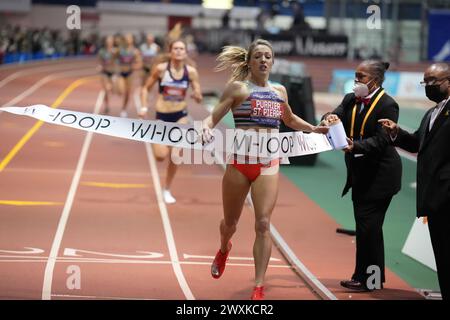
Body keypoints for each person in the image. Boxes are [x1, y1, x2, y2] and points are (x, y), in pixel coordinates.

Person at [201, 39, 329, 300]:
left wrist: (314, 129)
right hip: (239, 164)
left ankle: (258, 286)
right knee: (230, 223)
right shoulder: (238, 88)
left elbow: (290, 119)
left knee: (263, 224)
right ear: (249, 62)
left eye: (267, 56)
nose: (263, 60)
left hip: (268, 165)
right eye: (258, 56)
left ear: (273, 61)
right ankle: (224, 247)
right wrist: (205, 127)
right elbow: (212, 117)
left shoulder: (280, 91)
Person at [322, 60, 402, 292]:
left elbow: (381, 140)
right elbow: (333, 115)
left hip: (381, 176)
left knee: (369, 228)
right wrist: (329, 118)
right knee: (366, 227)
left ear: (375, 80)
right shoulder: (350, 99)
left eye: (361, 76)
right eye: (355, 76)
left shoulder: (388, 105)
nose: (356, 80)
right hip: (360, 175)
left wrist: (354, 146)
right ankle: (365, 277)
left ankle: (369, 279)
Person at [379, 63, 450, 300]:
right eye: (425, 82)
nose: (428, 87)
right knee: (442, 255)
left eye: (432, 81)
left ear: (448, 82)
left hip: (447, 197)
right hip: (434, 199)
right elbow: (418, 143)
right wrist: (396, 133)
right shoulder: (431, 113)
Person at [140, 39, 202, 204]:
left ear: (186, 52)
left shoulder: (191, 72)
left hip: (180, 115)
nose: (179, 51)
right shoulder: (161, 69)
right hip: (162, 115)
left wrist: (197, 95)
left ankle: (166, 189)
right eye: (176, 48)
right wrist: (144, 107)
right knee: (161, 156)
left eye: (182, 48)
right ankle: (160, 144)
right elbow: (145, 88)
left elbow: (198, 94)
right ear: (170, 52)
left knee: (175, 156)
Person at [117, 33, 141, 118]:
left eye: (129, 38)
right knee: (121, 90)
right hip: (121, 73)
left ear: (132, 40)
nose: (128, 40)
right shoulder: (120, 50)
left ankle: (123, 109)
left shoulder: (135, 51)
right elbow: (113, 58)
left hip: (130, 74)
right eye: (126, 38)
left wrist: (134, 66)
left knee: (127, 93)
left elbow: (139, 63)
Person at [98, 35, 118, 114]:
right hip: (105, 72)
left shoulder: (115, 51)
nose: (109, 43)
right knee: (106, 90)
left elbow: (119, 60)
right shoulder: (102, 51)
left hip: (113, 72)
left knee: (112, 89)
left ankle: (111, 88)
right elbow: (100, 61)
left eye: (110, 42)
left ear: (113, 42)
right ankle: (107, 106)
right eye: (107, 42)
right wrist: (100, 66)